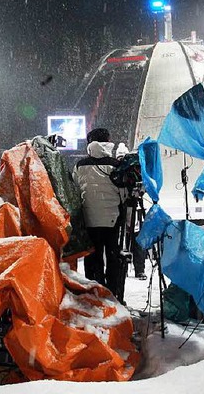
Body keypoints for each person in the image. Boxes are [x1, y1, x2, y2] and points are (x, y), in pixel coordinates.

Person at [73, 128, 125, 299]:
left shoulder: (80, 165)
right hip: (112, 218)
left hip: (89, 218)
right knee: (112, 254)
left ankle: (94, 290)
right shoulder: (115, 164)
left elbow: (74, 189)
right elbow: (123, 192)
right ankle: (112, 292)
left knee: (92, 255)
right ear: (108, 142)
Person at [115, 143, 147, 280]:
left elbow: (143, 187)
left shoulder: (129, 170)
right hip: (124, 207)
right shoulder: (118, 171)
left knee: (136, 239)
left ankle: (137, 269)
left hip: (131, 207)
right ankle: (128, 268)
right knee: (132, 239)